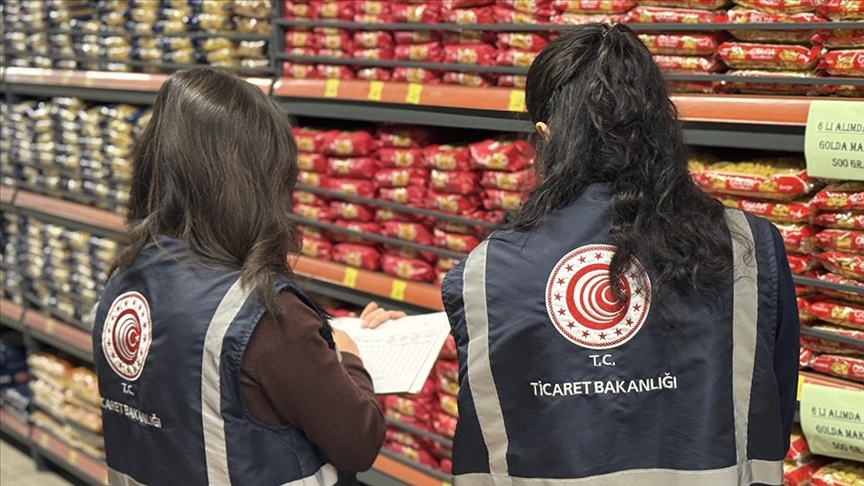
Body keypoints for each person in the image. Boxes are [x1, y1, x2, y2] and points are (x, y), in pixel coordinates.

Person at [442, 24, 799, 486]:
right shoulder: (749, 247)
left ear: (546, 135)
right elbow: (776, 400)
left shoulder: (485, 274)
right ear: (663, 125)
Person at [92, 69, 405, 486]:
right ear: (255, 184)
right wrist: (349, 356)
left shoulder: (124, 282)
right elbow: (358, 442)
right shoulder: (265, 316)